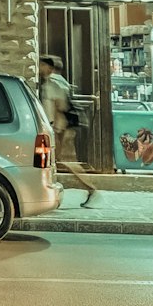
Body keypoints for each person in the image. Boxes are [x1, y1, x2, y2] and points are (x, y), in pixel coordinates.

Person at [38, 55, 97, 207]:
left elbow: (61, 106)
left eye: (42, 65)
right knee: (57, 160)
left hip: (61, 128)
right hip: (59, 128)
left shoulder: (53, 83)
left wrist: (57, 129)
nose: (39, 68)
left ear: (48, 67)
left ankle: (91, 189)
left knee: (67, 161)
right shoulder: (56, 81)